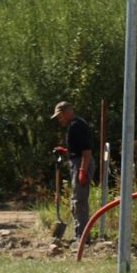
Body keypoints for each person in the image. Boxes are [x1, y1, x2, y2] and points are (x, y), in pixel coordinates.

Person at [51, 101, 95, 241]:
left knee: (79, 201)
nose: (60, 119)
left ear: (67, 112)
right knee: (75, 200)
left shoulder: (77, 125)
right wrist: (65, 151)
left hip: (82, 164)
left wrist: (82, 170)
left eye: (60, 116)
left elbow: (86, 151)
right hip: (77, 162)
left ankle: (82, 237)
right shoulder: (73, 125)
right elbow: (77, 149)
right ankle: (79, 235)